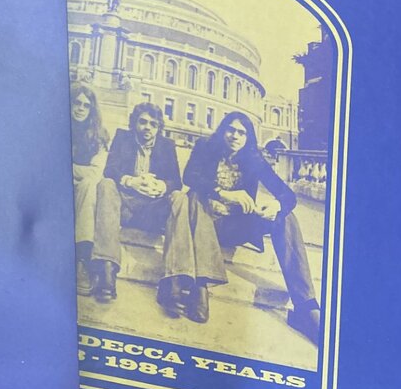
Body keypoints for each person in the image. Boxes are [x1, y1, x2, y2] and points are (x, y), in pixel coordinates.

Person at [184, 112, 322, 342]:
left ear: (248, 137)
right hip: (204, 222)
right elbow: (190, 177)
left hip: (234, 226)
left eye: (242, 132)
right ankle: (201, 285)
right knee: (194, 196)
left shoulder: (253, 159)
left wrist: (276, 205)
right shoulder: (206, 147)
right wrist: (222, 193)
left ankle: (306, 307)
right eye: (231, 130)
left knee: (286, 217)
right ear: (223, 130)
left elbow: (288, 195)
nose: (235, 136)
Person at [91, 102, 224, 322]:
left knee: (179, 197)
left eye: (153, 124)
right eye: (143, 122)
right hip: (125, 205)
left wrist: (162, 186)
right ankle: (107, 269)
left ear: (159, 127)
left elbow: (176, 181)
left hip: (153, 210)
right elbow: (110, 169)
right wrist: (131, 181)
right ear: (134, 123)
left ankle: (174, 280)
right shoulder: (123, 138)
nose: (147, 128)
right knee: (106, 184)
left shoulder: (166, 145)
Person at [70, 83, 108, 296]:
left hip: (81, 190)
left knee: (88, 185)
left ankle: (82, 259)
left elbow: (95, 173)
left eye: (86, 105)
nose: (81, 109)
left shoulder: (98, 136)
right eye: (77, 103)